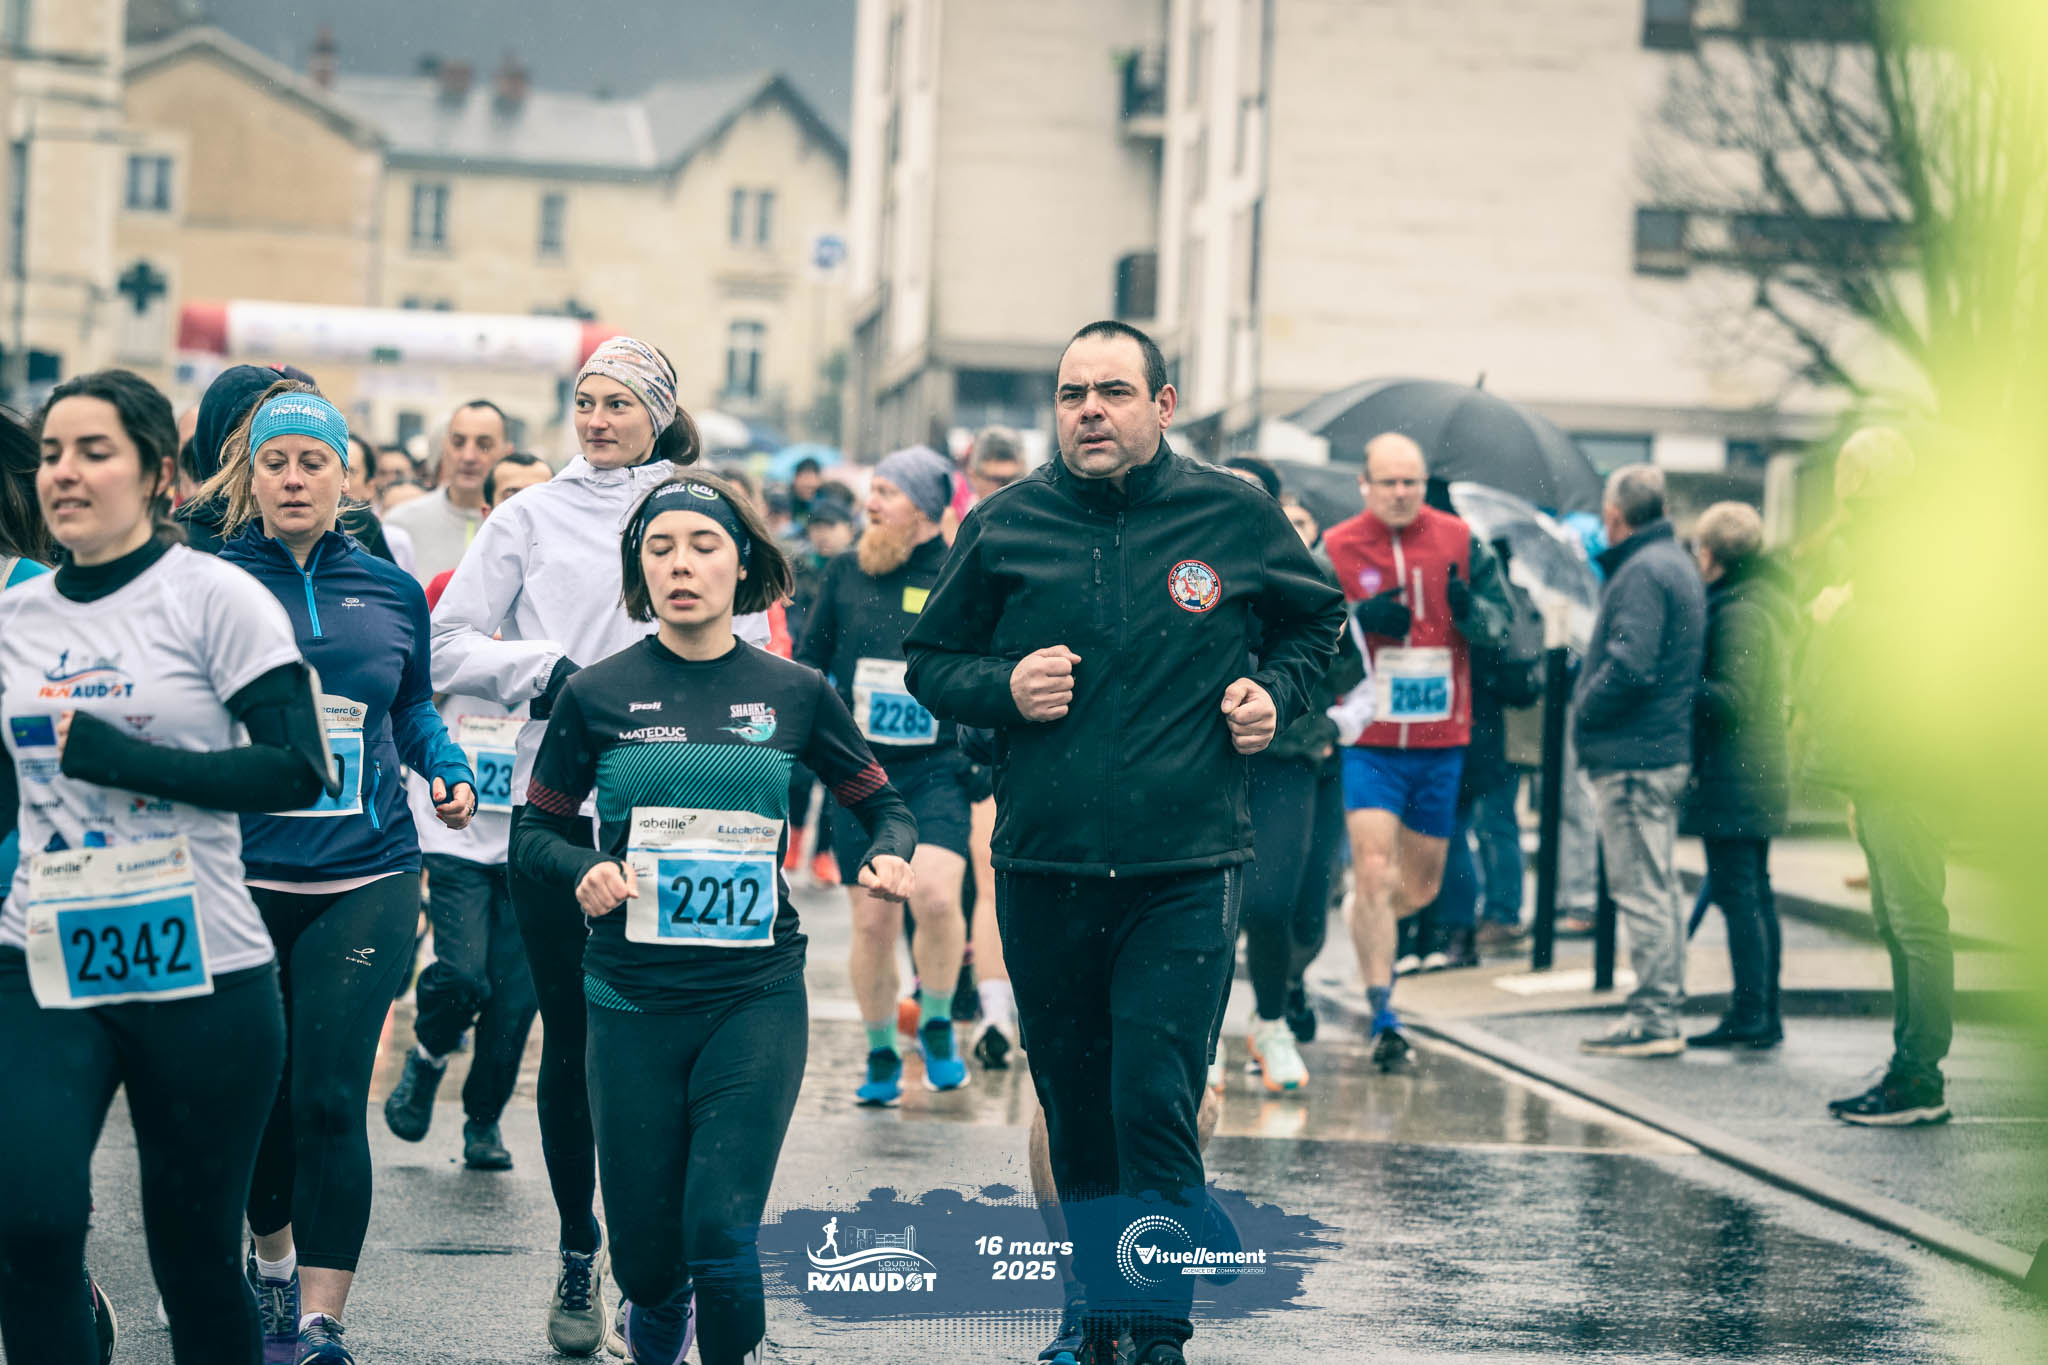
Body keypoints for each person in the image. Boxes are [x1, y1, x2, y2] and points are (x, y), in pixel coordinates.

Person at [904, 320, 1344, 1365]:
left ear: (1163, 404)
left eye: (1112, 391)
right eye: (1072, 395)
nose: (1089, 411)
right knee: (1077, 1106)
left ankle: (1154, 1330)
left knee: (1151, 1098)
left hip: (1184, 866)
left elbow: (1316, 623)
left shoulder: (1231, 514)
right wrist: (1003, 687)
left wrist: (1272, 697)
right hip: (1046, 865)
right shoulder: (1006, 523)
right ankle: (1094, 1307)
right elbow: (930, 659)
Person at [512, 471, 915, 1365]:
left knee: (721, 1233)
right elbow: (534, 832)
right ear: (639, 573)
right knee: (649, 1263)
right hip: (630, 998)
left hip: (754, 994)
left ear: (743, 567)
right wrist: (585, 867)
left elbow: (882, 803)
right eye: (660, 549)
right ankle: (658, 1317)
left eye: (703, 546)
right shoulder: (596, 694)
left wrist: (889, 852)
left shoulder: (795, 691)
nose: (681, 565)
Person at [431, 336, 767, 1354]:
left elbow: (754, 643)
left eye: (619, 402)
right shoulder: (528, 515)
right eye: (586, 400)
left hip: (681, 813)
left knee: (673, 1039)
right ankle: (581, 1247)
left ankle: (658, 1265)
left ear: (658, 414)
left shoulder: (697, 508)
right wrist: (553, 672)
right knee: (576, 1041)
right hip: (559, 809)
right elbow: (448, 641)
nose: (597, 418)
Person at [0, 369, 334, 1363]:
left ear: (156, 475)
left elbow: (299, 768)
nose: (65, 472)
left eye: (93, 451)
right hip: (44, 952)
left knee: (191, 1258)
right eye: (51, 453)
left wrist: (125, 759)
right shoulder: (16, 620)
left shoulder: (214, 598)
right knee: (29, 1224)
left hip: (203, 966)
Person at [206, 383, 477, 1365]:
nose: (293, 478)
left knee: (328, 1096)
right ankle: (272, 1261)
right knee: (255, 1100)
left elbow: (411, 706)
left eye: (312, 462)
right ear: (250, 476)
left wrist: (444, 764)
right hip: (237, 876)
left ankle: (320, 1321)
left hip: (365, 872)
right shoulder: (205, 581)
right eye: (274, 462)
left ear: (342, 475)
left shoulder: (390, 589)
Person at [1321, 434, 1512, 1068]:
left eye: (1412, 482)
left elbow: (1504, 622)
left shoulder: (1461, 539)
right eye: (1389, 482)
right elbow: (1303, 627)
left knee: (1420, 887)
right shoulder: (1337, 547)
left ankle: (1370, 914)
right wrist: (1357, 619)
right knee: (1374, 869)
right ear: (1365, 485)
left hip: (1439, 740)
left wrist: (1470, 613)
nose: (1401, 493)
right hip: (1370, 740)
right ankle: (1383, 1012)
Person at [384, 452, 552, 1169]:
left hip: (534, 828)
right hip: (454, 824)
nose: (523, 511)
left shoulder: (573, 603)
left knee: (514, 1001)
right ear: (490, 514)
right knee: (463, 976)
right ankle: (427, 1054)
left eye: (536, 498)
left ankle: (483, 1122)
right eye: (509, 498)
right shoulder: (449, 592)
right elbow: (413, 697)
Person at [797, 445, 974, 1102]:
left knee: (936, 898)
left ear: (925, 508)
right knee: (873, 922)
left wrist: (979, 746)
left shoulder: (959, 570)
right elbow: (811, 663)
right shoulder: (848, 571)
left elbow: (984, 659)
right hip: (861, 774)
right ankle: (879, 1051)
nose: (869, 503)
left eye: (887, 493)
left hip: (938, 766)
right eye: (872, 490)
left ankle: (936, 1019)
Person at [1805, 428, 1954, 1124]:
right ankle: (1909, 1064)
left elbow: (1917, 643)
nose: (1839, 476)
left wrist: (1843, 613)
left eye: (1846, 465)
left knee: (1915, 921)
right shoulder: (1879, 536)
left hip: (1906, 761)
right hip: (1879, 761)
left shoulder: (1905, 540)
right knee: (1897, 920)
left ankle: (1919, 1075)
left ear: (1863, 474)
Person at [1572, 464, 1707, 1057]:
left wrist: (1584, 706)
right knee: (1658, 887)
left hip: (1633, 755)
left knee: (1643, 890)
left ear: (1614, 516)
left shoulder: (1642, 571)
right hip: (1657, 747)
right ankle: (1661, 1008)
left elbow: (1632, 664)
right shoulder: (1671, 561)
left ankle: (1655, 1017)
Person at [1681, 501, 1793, 1049]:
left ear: (1709, 555)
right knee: (1752, 894)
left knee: (1740, 896)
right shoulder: (1757, 600)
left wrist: (1680, 680)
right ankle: (1758, 1013)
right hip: (1749, 771)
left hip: (1736, 775)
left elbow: (1732, 698)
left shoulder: (1739, 610)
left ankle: (1753, 1015)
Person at [383, 400, 507, 584]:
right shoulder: (399, 524)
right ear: (444, 447)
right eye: (458, 443)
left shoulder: (519, 527)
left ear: (506, 451)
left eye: (484, 445)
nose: (468, 456)